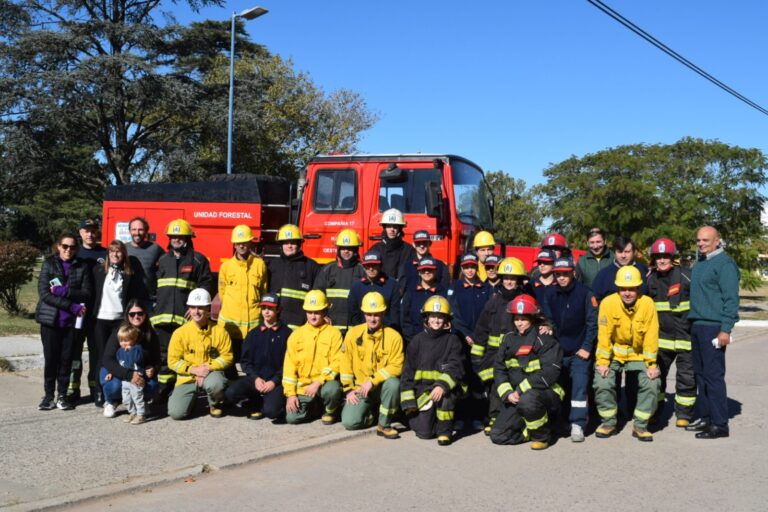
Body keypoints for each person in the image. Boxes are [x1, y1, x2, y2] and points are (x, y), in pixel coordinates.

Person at [593, 266, 660, 442]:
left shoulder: (647, 304)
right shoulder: (608, 303)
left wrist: (651, 365)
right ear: (618, 289)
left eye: (631, 289)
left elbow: (651, 336)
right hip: (614, 354)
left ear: (638, 288)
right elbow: (604, 335)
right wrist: (603, 362)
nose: (627, 293)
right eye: (623, 289)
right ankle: (608, 423)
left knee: (652, 382)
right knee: (602, 381)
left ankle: (640, 425)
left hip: (638, 355)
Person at [490, 294, 564, 450]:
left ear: (532, 318)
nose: (519, 323)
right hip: (516, 396)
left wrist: (520, 389)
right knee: (498, 435)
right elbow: (499, 369)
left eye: (523, 319)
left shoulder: (544, 338)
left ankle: (542, 436)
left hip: (545, 393)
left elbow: (551, 372)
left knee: (528, 400)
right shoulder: (508, 340)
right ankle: (530, 430)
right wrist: (508, 393)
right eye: (517, 319)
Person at [686, 226, 739, 439]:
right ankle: (706, 417)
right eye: (698, 240)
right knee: (700, 375)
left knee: (713, 376)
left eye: (706, 240)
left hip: (713, 327)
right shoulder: (701, 263)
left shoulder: (725, 264)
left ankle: (719, 424)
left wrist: (725, 329)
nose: (701, 244)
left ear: (717, 241)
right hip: (697, 325)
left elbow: (731, 299)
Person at [151, 219, 213, 397]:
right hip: (162, 319)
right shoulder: (162, 260)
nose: (176, 239)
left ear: (187, 237)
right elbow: (154, 288)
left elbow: (206, 285)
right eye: (173, 236)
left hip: (185, 319)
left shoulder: (198, 260)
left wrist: (197, 308)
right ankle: (163, 392)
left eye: (180, 236)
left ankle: (185, 390)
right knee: (164, 356)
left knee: (186, 355)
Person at [540, 257, 597, 443]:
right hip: (557, 351)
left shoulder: (585, 293)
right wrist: (549, 327)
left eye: (565, 274)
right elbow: (548, 318)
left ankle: (578, 425)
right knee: (558, 388)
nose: (562, 277)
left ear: (573, 272)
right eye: (558, 274)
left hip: (579, 352)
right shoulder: (549, 293)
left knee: (579, 388)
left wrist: (587, 347)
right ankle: (559, 422)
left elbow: (592, 323)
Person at [472, 257, 530, 434]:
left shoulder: (525, 301)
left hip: (517, 354)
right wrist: (476, 358)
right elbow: (481, 330)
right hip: (494, 354)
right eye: (506, 278)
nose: (509, 281)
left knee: (514, 385)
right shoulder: (494, 301)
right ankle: (494, 418)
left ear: (519, 280)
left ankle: (514, 419)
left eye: (513, 278)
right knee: (496, 386)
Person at [35, 232, 93, 411]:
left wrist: (63, 292)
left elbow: (87, 293)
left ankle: (62, 395)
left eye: (73, 247)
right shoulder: (49, 264)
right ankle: (48, 396)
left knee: (66, 360)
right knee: (51, 360)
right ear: (58, 246)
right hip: (51, 321)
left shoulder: (81, 266)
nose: (68, 250)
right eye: (65, 246)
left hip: (71, 323)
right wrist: (72, 306)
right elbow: (45, 294)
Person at [400, 296, 464, 446]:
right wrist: (409, 403)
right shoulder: (417, 341)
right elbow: (407, 372)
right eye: (433, 316)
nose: (436, 320)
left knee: (446, 398)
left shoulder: (453, 340)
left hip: (443, 390)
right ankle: (424, 419)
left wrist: (442, 385)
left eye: (440, 317)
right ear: (427, 318)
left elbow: (456, 367)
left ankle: (445, 432)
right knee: (425, 433)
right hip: (422, 392)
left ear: (446, 319)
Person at [91, 240, 148, 407]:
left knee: (119, 356)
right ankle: (100, 392)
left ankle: (117, 392)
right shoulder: (99, 271)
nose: (115, 254)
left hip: (119, 321)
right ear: (107, 254)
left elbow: (133, 298)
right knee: (100, 356)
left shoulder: (129, 274)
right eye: (111, 251)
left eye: (118, 251)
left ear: (124, 254)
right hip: (100, 319)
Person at [646, 238, 696, 428]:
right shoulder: (650, 279)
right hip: (661, 340)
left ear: (673, 257)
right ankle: (654, 412)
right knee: (656, 378)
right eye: (658, 257)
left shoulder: (687, 276)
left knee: (686, 378)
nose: (662, 260)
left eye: (665, 256)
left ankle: (683, 414)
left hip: (686, 337)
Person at [340, 292, 404, 439]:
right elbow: (345, 362)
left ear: (383, 313)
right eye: (369, 314)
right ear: (364, 313)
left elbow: (397, 365)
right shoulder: (353, 334)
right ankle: (372, 415)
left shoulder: (394, 337)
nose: (372, 318)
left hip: (381, 388)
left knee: (394, 384)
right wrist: (348, 390)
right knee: (350, 422)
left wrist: (373, 380)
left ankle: (384, 425)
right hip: (360, 389)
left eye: (376, 314)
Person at [167, 288, 233, 420]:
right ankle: (188, 399)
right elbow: (172, 361)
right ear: (189, 309)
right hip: (188, 378)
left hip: (210, 374)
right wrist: (194, 370)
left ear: (208, 308)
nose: (196, 312)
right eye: (193, 307)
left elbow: (227, 357)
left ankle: (214, 404)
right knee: (176, 413)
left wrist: (207, 368)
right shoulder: (180, 333)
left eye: (200, 308)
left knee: (216, 384)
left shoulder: (220, 331)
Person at [225, 294, 290, 421]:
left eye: (270, 308)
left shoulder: (287, 334)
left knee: (272, 412)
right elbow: (245, 361)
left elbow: (290, 363)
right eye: (264, 307)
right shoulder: (253, 334)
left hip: (275, 382)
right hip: (256, 380)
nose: (266, 311)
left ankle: (267, 404)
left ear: (278, 310)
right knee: (230, 393)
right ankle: (255, 402)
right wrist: (255, 378)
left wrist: (274, 381)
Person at [282, 290, 343, 424]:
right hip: (303, 387)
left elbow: (337, 362)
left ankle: (330, 410)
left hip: (323, 385)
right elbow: (289, 367)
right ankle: (315, 408)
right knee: (292, 418)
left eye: (317, 312)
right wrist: (291, 394)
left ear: (325, 311)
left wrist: (318, 382)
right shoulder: (296, 335)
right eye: (310, 312)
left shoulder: (334, 334)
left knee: (332, 390)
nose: (313, 316)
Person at [448, 253, 492, 429]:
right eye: (466, 267)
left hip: (479, 341)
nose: (469, 270)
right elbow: (454, 314)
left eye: (472, 266)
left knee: (478, 381)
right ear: (462, 269)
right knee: (461, 379)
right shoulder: (455, 287)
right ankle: (460, 418)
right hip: (461, 339)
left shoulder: (486, 288)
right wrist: (466, 334)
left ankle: (478, 418)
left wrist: (478, 336)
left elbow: (488, 315)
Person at [100, 299, 162, 419]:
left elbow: (157, 360)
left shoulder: (150, 334)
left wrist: (153, 368)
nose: (136, 316)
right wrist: (129, 375)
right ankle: (111, 401)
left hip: (139, 371)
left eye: (140, 313)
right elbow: (107, 359)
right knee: (115, 387)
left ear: (145, 314)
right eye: (132, 314)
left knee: (153, 386)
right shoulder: (120, 332)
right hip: (117, 371)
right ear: (127, 315)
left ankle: (140, 402)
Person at [68, 218, 107, 404]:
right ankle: (72, 388)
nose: (90, 234)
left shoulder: (104, 253)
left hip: (97, 312)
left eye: (93, 230)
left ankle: (95, 388)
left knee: (96, 352)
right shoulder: (75, 253)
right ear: (80, 232)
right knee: (74, 351)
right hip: (77, 312)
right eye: (86, 230)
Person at [218, 225, 268, 364]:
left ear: (250, 242)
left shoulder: (260, 265)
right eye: (238, 243)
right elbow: (222, 293)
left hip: (253, 328)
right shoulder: (226, 267)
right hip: (230, 327)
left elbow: (263, 291)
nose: (241, 245)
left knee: (251, 364)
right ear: (234, 244)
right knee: (230, 364)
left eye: (244, 242)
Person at [267, 224, 321, 331]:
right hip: (276, 326)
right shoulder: (271, 266)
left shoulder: (312, 267)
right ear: (281, 245)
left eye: (293, 242)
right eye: (286, 243)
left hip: (301, 328)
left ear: (299, 244)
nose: (289, 246)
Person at [313, 229, 365, 335]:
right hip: (331, 327)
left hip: (356, 328)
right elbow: (317, 295)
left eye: (350, 248)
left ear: (355, 250)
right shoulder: (328, 269)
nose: (346, 251)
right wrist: (322, 316)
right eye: (343, 248)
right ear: (338, 249)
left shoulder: (363, 270)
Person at [103, 324, 146, 425]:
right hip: (125, 379)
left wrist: (131, 350)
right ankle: (132, 412)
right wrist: (111, 373)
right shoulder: (119, 351)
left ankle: (141, 414)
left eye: (126, 340)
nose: (124, 343)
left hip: (136, 378)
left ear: (134, 339)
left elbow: (138, 359)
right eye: (121, 341)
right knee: (126, 398)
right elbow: (118, 363)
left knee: (137, 397)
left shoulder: (137, 349)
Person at [348, 250, 401, 330]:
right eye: (367, 266)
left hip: (386, 331)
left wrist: (387, 331)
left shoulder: (392, 284)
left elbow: (395, 313)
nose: (371, 269)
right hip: (363, 332)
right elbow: (353, 312)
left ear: (380, 266)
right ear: (363, 267)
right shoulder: (356, 286)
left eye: (374, 265)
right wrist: (361, 330)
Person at [401, 257, 448, 343]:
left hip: (438, 342)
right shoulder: (410, 292)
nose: (426, 272)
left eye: (430, 269)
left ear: (435, 271)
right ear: (419, 272)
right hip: (414, 341)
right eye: (423, 270)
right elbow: (404, 319)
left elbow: (447, 319)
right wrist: (413, 339)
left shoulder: (443, 293)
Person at [592, 235, 648, 302]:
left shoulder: (645, 271)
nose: (623, 256)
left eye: (627, 252)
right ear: (614, 253)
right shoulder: (603, 275)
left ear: (633, 252)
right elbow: (595, 301)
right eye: (620, 252)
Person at [370, 208, 416, 287]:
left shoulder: (409, 250)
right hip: (379, 289)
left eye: (395, 227)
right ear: (384, 228)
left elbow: (412, 275)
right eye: (389, 226)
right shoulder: (375, 249)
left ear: (400, 229)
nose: (392, 230)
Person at [125, 216, 165, 303]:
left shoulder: (155, 249)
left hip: (150, 300)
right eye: (134, 229)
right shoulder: (124, 249)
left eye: (140, 229)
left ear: (146, 231)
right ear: (129, 231)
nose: (137, 233)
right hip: (128, 299)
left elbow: (166, 269)